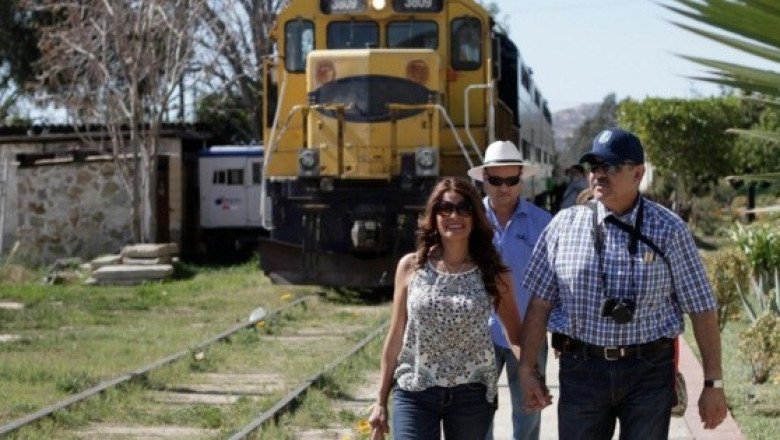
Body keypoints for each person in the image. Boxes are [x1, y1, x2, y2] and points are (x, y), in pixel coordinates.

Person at [518, 128, 728, 439]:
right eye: (595, 167)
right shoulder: (563, 226)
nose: (600, 175)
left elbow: (701, 308)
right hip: (582, 370)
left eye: (612, 167)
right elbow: (540, 303)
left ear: (638, 173)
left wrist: (714, 384)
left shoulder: (669, 230)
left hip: (648, 372)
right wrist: (527, 369)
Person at [368, 177, 525, 440]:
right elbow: (395, 336)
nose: (455, 215)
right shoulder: (411, 267)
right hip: (414, 388)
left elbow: (515, 334)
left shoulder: (493, 272)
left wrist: (530, 375)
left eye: (464, 208)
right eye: (446, 208)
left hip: (471, 395)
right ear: (434, 215)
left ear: (475, 216)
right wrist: (380, 401)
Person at [466, 140, 552, 440]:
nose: (504, 188)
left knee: (529, 413)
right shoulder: (468, 223)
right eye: (496, 180)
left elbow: (557, 281)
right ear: (484, 179)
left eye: (511, 180)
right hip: (478, 335)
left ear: (521, 179)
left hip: (528, 335)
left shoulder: (544, 224)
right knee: (477, 417)